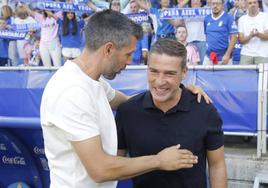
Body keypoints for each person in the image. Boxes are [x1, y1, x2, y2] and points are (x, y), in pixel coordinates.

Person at [41, 10, 219, 187]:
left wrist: (178, 90)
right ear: (109, 49)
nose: (129, 62)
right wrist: (159, 160)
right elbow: (100, 169)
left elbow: (131, 102)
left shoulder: (93, 82)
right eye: (127, 54)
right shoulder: (71, 91)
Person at [116, 39, 227, 188]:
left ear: (184, 73)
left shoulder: (205, 111)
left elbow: (217, 166)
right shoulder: (127, 112)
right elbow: (114, 165)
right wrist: (158, 161)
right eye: (154, 71)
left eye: (169, 74)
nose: (160, 81)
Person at [204, 0, 237, 65]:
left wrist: (227, 55)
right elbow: (207, 36)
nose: (215, 6)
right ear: (210, 5)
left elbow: (234, 38)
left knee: (226, 75)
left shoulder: (229, 18)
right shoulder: (206, 19)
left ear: (222, 5)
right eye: (213, 3)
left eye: (218, 3)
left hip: (224, 57)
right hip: (209, 57)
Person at [238, 0, 268, 64]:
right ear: (246, 6)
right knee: (243, 74)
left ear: (258, 4)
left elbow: (267, 36)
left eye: (255, 2)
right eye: (250, 3)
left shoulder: (266, 17)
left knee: (263, 74)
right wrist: (250, 36)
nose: (253, 5)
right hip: (246, 54)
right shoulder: (241, 19)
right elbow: (241, 40)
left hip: (262, 54)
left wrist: (258, 34)